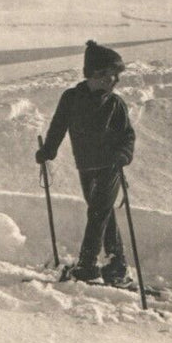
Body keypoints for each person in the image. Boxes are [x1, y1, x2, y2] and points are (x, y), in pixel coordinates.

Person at [35, 40, 136, 286]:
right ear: (96, 75)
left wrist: (123, 155)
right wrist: (48, 151)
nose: (116, 82)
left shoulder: (115, 103)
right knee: (104, 215)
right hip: (86, 166)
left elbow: (127, 136)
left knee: (98, 213)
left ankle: (87, 266)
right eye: (112, 76)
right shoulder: (71, 98)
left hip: (110, 167)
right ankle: (116, 265)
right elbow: (58, 126)